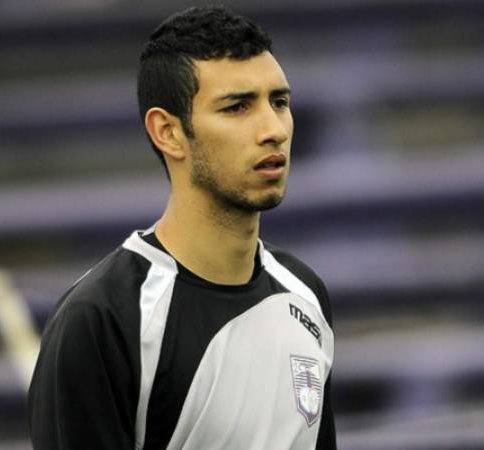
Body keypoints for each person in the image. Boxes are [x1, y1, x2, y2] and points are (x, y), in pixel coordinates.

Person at [27, 6, 336, 450]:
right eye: (237, 107)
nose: (274, 129)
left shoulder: (306, 294)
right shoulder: (103, 321)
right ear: (168, 132)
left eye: (280, 102)